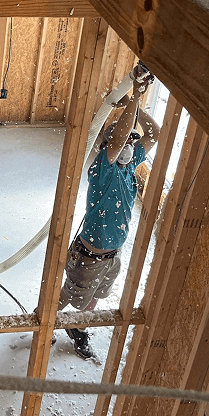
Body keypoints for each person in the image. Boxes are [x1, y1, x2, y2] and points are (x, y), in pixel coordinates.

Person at [56, 64, 157, 361]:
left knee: (94, 298)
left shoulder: (128, 167)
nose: (130, 147)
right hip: (88, 257)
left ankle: (78, 328)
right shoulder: (105, 168)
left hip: (112, 257)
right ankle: (45, 320)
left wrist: (137, 105)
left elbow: (155, 133)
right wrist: (134, 100)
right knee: (68, 296)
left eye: (132, 143)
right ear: (111, 145)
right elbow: (116, 141)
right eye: (125, 142)